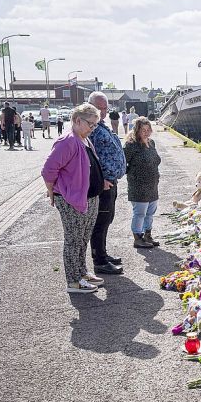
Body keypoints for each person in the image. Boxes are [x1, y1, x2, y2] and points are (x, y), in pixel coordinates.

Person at [41, 103, 107, 294]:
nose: (93, 128)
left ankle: (82, 272)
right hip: (72, 200)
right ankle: (73, 281)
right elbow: (48, 170)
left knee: (83, 238)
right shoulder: (67, 141)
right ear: (78, 120)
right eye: (91, 124)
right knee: (73, 240)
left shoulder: (84, 139)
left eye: (96, 124)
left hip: (89, 198)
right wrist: (51, 191)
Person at [87, 91, 126, 275]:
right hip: (103, 184)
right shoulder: (90, 129)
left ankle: (103, 253)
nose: (103, 112)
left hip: (111, 182)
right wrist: (100, 179)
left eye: (105, 108)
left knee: (107, 219)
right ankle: (99, 260)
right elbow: (89, 158)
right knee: (100, 221)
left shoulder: (100, 125)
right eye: (99, 108)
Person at [123, 117, 161, 249]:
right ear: (137, 131)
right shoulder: (131, 145)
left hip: (152, 185)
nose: (146, 132)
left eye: (148, 129)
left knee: (150, 212)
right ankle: (138, 238)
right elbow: (123, 164)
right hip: (138, 185)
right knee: (140, 213)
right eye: (142, 130)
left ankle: (147, 235)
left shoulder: (152, 143)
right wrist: (133, 174)